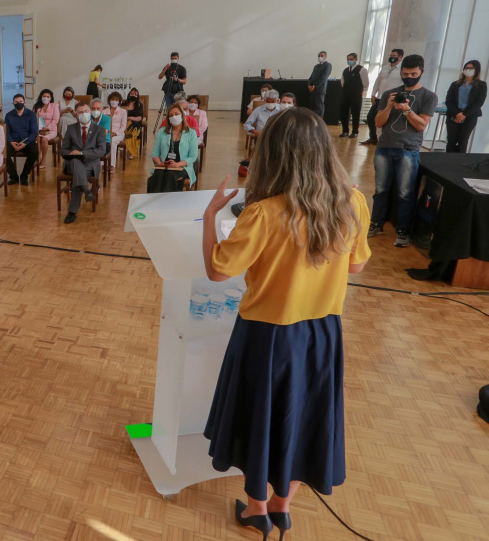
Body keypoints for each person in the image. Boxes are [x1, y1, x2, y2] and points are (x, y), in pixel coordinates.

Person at [202, 108, 371, 541]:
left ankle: (256, 509)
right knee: (304, 418)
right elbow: (356, 267)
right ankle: (282, 507)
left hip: (267, 335)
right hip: (322, 335)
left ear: (272, 153)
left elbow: (218, 271)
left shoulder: (262, 213)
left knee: (261, 419)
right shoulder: (353, 202)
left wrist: (210, 217)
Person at [370, 54, 438, 248]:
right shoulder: (389, 94)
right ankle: (377, 223)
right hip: (384, 148)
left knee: (405, 193)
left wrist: (407, 110)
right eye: (405, 73)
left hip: (408, 150)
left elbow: (421, 125)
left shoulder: (428, 96)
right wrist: (390, 106)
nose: (409, 76)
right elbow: (378, 123)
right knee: (380, 190)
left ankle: (403, 230)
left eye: (413, 73)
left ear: (421, 73)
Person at [61, 102, 106, 224]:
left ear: (90, 112)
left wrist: (82, 154)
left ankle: (72, 212)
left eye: (86, 111)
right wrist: (72, 153)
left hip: (90, 165)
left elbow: (101, 150)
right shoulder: (71, 129)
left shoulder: (100, 130)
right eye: (80, 112)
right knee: (75, 162)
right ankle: (87, 191)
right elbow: (63, 149)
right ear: (76, 114)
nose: (84, 114)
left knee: (78, 175)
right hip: (71, 163)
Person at [361, 48, 404, 145]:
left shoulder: (402, 70)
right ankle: (373, 137)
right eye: (391, 55)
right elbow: (378, 81)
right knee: (370, 117)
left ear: (400, 57)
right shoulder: (385, 67)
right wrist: (373, 94)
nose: (391, 57)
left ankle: (384, 139)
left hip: (391, 99)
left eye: (394, 56)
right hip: (380, 97)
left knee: (387, 120)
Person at [151, 105, 198, 190]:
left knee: (170, 176)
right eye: (171, 115)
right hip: (164, 166)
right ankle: (155, 202)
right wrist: (160, 163)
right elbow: (155, 153)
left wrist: (177, 164)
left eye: (176, 114)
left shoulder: (191, 133)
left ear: (182, 116)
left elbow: (193, 156)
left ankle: (169, 202)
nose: (174, 117)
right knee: (159, 175)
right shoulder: (162, 131)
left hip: (182, 166)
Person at [445, 60, 486, 153]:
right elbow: (449, 101)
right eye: (466, 68)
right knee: (451, 140)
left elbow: (479, 102)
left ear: (476, 70)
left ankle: (460, 163)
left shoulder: (481, 85)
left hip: (469, 116)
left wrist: (464, 115)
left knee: (463, 141)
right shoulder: (455, 84)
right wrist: (457, 114)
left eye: (471, 68)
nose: (468, 70)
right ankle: (447, 161)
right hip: (453, 115)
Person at [4, 94, 38, 185]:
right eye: (16, 102)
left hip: (27, 141)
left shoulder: (32, 115)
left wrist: (25, 143)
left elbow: (34, 132)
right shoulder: (8, 115)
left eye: (20, 102)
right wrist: (11, 142)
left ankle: (24, 175)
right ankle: (13, 176)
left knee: (34, 152)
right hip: (13, 141)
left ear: (24, 102)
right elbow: (7, 131)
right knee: (3, 153)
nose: (18, 103)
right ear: (13, 103)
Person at [339, 53, 369, 138]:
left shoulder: (361, 69)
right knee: (343, 112)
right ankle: (345, 130)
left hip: (356, 94)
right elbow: (342, 81)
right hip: (346, 93)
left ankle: (355, 131)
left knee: (355, 112)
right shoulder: (345, 70)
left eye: (351, 59)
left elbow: (365, 82)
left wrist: (364, 91)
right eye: (348, 59)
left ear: (356, 59)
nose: (349, 61)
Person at [33, 89, 59, 167]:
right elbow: (33, 118)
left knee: (44, 139)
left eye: (48, 96)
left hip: (51, 129)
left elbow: (55, 120)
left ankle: (43, 160)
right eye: (44, 96)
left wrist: (47, 128)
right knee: (37, 138)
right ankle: (38, 158)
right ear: (41, 97)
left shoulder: (54, 106)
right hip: (39, 129)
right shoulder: (37, 106)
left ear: (50, 98)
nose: (46, 98)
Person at [105, 91, 127, 172]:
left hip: (118, 133)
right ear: (109, 100)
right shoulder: (104, 111)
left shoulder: (123, 111)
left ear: (119, 101)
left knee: (112, 141)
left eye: (116, 99)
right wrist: (108, 133)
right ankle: (103, 164)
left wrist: (116, 133)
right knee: (103, 140)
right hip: (107, 133)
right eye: (112, 99)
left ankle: (112, 165)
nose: (114, 101)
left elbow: (123, 126)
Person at [308, 51, 332, 117]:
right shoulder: (316, 66)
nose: (320, 57)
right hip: (312, 90)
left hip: (319, 90)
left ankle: (319, 122)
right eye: (319, 56)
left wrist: (315, 86)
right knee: (312, 108)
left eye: (322, 56)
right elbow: (311, 76)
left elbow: (323, 78)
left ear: (325, 57)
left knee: (319, 107)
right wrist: (309, 85)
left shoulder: (328, 65)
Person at [124, 88, 144, 159]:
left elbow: (139, 118)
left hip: (135, 124)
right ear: (129, 94)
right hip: (124, 123)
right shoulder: (124, 104)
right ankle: (125, 145)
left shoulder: (139, 105)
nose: (134, 95)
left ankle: (131, 151)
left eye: (136, 94)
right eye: (132, 94)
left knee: (133, 129)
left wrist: (129, 118)